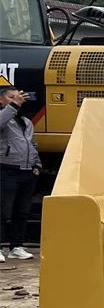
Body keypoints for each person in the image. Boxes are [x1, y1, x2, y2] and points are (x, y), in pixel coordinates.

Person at [0, 85, 41, 261]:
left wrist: (37, 164)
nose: (17, 100)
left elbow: (32, 144)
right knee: (2, 211)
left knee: (21, 212)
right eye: (11, 97)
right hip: (6, 169)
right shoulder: (4, 118)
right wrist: (13, 106)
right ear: (1, 100)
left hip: (26, 172)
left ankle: (16, 246)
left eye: (18, 97)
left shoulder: (26, 121)